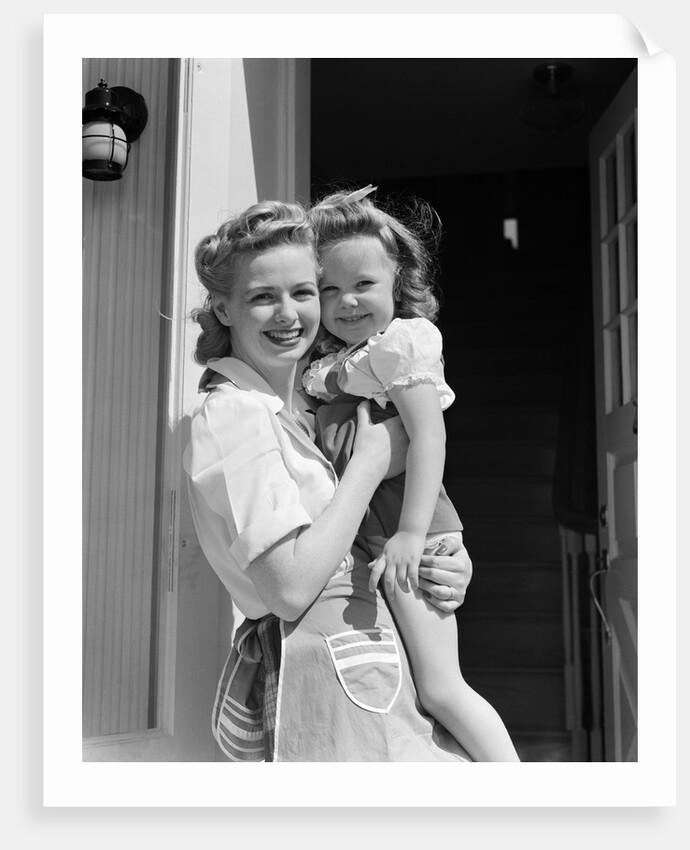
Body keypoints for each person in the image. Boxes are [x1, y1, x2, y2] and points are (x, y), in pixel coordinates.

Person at [182, 198, 475, 762]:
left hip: (370, 661)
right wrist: (368, 465)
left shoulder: (301, 406)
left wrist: (442, 557)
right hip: (329, 673)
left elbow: (359, 529)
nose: (289, 314)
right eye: (262, 297)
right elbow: (289, 589)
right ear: (222, 308)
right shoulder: (236, 415)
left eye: (303, 292)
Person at [303, 185, 519, 762]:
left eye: (363, 285)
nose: (346, 301)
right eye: (329, 289)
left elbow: (428, 435)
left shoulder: (401, 344)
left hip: (411, 536)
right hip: (375, 535)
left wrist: (413, 533)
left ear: (397, 279)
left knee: (441, 688)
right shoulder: (331, 361)